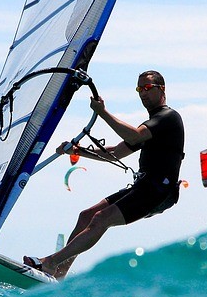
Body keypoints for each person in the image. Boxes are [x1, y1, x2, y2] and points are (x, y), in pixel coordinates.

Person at [24, 70, 185, 279]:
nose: (143, 94)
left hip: (158, 191)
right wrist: (78, 151)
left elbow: (134, 137)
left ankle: (50, 262)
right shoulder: (152, 126)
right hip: (144, 187)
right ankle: (60, 274)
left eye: (147, 88)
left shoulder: (167, 117)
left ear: (161, 89)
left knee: (101, 219)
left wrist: (102, 112)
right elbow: (116, 153)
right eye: (139, 89)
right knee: (87, 216)